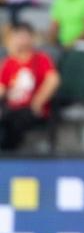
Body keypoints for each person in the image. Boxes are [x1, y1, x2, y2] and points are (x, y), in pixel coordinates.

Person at [0, 22, 60, 151]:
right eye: (18, 36)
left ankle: (9, 152)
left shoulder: (41, 59)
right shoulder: (9, 62)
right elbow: (1, 88)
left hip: (31, 109)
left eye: (24, 36)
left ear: (31, 38)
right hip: (10, 108)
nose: (21, 40)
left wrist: (37, 103)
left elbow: (53, 80)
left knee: (14, 122)